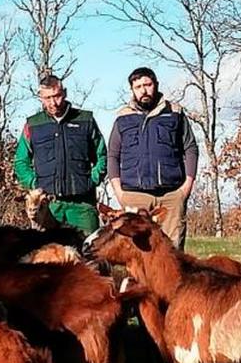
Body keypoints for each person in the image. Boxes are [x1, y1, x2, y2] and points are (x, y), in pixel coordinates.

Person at [107, 67, 198, 249]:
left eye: (148, 84)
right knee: (135, 251)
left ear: (156, 85)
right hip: (134, 195)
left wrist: (185, 188)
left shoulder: (175, 113)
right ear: (132, 90)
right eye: (138, 86)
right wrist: (120, 193)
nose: (144, 90)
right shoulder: (123, 118)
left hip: (171, 196)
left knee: (172, 251)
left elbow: (190, 148)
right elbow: (113, 155)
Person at [13, 73, 107, 235]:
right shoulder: (33, 125)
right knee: (48, 256)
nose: (53, 102)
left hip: (82, 206)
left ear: (64, 93)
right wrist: (34, 184)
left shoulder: (85, 120)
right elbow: (21, 161)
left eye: (56, 96)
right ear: (40, 98)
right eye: (47, 98)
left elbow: (102, 155)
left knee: (88, 255)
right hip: (49, 206)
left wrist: (93, 179)